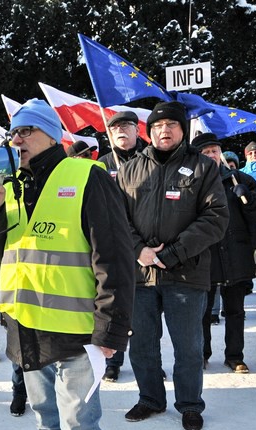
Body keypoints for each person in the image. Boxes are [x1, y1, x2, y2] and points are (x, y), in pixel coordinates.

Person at [0, 99, 135, 430]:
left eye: (26, 131)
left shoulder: (86, 176)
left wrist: (111, 328)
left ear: (51, 134)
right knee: (48, 425)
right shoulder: (10, 187)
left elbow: (116, 257)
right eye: (14, 133)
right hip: (27, 329)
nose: (17, 140)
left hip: (78, 334)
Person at [117, 101, 228, 430]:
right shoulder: (130, 169)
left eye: (171, 125)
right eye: (157, 126)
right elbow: (116, 217)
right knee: (142, 344)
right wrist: (140, 250)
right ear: (149, 131)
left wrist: (174, 252)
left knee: (189, 346)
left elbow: (216, 218)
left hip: (186, 273)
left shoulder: (203, 168)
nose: (164, 131)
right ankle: (150, 398)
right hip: (140, 275)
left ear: (182, 130)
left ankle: (190, 404)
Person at [190, 133, 256, 373]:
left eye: (214, 151)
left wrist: (248, 197)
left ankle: (235, 356)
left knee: (235, 311)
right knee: (202, 312)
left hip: (236, 254)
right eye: (205, 152)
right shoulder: (190, 182)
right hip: (204, 256)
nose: (211, 156)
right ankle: (202, 353)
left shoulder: (239, 179)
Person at [97, 110, 147, 381]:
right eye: (115, 127)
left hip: (144, 245)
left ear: (137, 131)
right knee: (115, 306)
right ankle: (113, 361)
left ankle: (148, 363)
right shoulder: (102, 164)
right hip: (114, 245)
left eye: (127, 126)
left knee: (144, 312)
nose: (121, 131)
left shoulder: (149, 160)